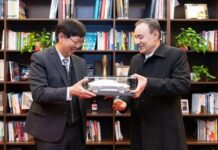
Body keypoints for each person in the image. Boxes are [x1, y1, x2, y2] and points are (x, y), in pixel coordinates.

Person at [112, 18, 191, 150]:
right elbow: (130, 86)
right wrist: (124, 102)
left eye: (140, 37)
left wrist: (148, 82)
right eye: (136, 37)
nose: (137, 42)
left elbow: (183, 85)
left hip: (165, 132)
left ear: (155, 35)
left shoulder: (176, 55)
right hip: (139, 129)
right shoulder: (135, 59)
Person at [25, 20, 96, 150]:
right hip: (49, 131)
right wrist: (70, 91)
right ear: (61, 37)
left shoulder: (81, 62)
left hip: (76, 131)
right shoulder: (40, 58)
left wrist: (103, 90)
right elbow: (39, 93)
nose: (79, 46)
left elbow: (85, 90)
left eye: (81, 42)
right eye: (75, 42)